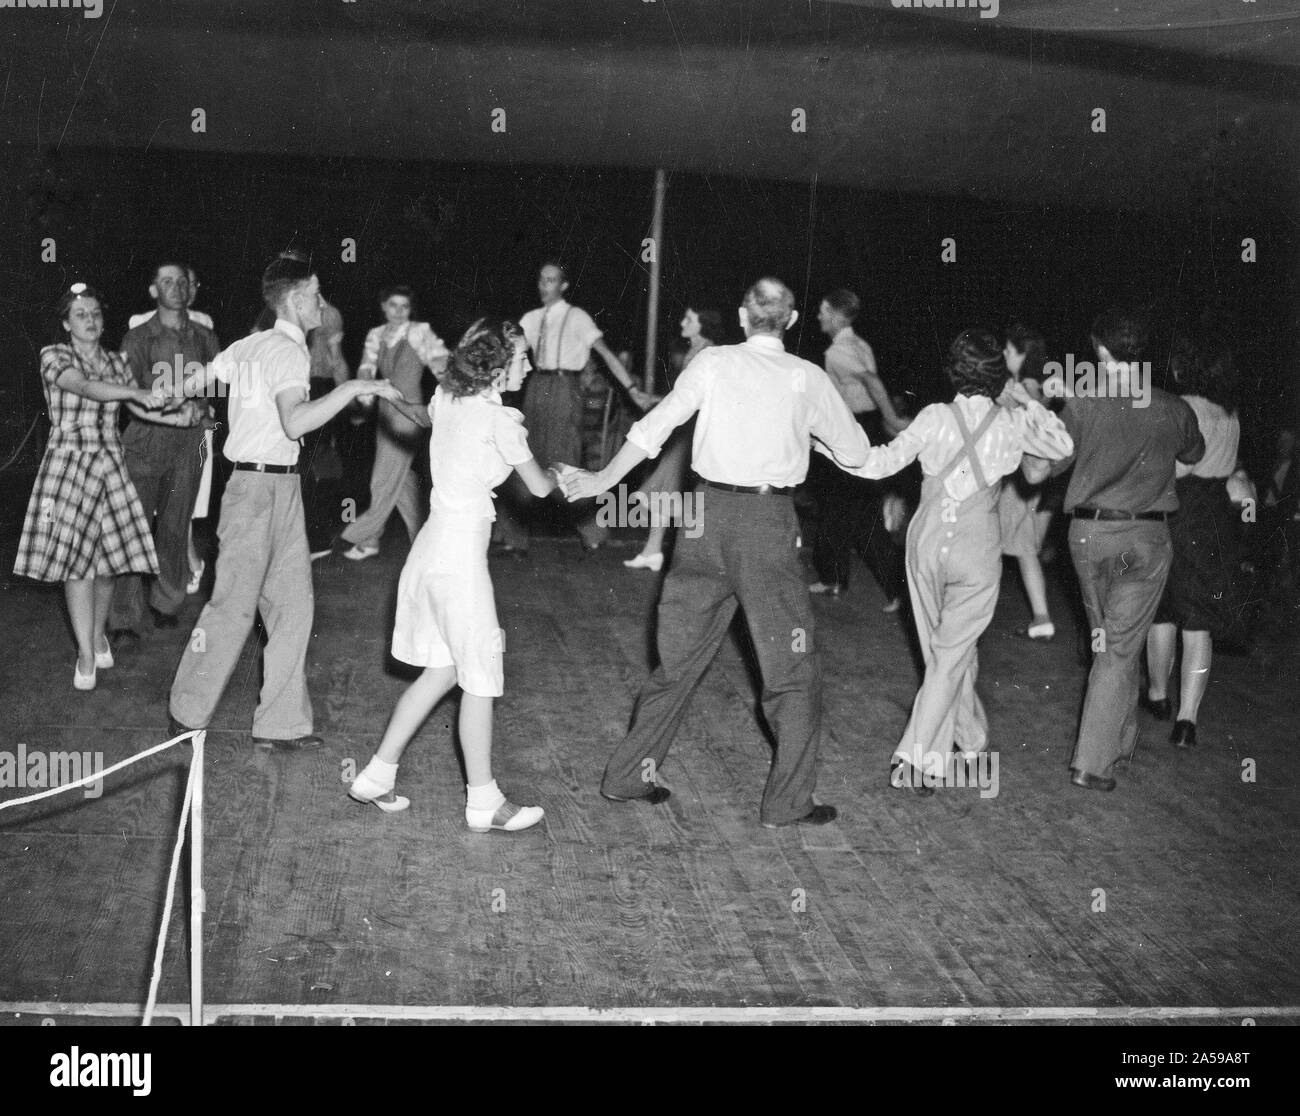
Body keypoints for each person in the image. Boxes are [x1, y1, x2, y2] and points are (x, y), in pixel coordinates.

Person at [561, 278, 883, 828]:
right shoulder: (808, 377)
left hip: (703, 520)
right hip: (766, 525)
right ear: (792, 318)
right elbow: (858, 455)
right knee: (792, 671)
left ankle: (626, 777)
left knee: (678, 662)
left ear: (741, 316)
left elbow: (654, 428)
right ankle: (787, 803)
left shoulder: (711, 365)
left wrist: (601, 480)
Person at [168, 255, 402, 748]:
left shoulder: (248, 345)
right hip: (254, 492)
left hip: (281, 487)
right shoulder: (288, 352)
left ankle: (281, 725)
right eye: (317, 294)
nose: (322, 303)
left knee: (294, 608)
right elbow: (295, 422)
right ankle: (186, 714)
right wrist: (355, 387)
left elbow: (194, 382)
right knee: (232, 607)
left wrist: (164, 393)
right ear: (295, 300)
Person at [347, 319, 558, 830]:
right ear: (501, 363)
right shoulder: (500, 418)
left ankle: (375, 774)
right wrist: (561, 474)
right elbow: (542, 488)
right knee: (481, 677)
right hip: (459, 561)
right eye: (522, 358)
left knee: (443, 671)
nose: (528, 366)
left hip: (428, 554)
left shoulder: (448, 401)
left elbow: (432, 418)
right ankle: (483, 801)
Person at [842, 329, 1073, 793]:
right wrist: (1024, 405)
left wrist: (832, 448)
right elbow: (1051, 457)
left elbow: (881, 463)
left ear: (952, 370)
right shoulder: (1012, 425)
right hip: (977, 547)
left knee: (942, 653)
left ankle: (967, 738)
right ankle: (920, 759)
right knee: (951, 655)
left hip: (926, 541)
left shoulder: (933, 417)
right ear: (998, 377)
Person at [1052, 308, 1205, 792]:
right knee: (1119, 648)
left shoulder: (1083, 400)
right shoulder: (1173, 408)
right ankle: (1094, 761)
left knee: (1110, 644)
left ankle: (1113, 745)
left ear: (1100, 351)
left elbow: (1052, 464)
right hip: (1146, 538)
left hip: (1091, 537)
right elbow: (1195, 453)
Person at [13, 284, 169, 689]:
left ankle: (98, 633)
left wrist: (179, 412)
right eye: (81, 314)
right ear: (67, 323)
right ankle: (85, 653)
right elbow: (83, 387)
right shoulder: (55, 355)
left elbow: (136, 405)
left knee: (107, 565)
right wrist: (138, 392)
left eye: (96, 313)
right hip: (68, 463)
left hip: (110, 463)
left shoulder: (117, 361)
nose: (91, 320)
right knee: (76, 564)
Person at [492, 260, 652, 555]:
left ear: (563, 285)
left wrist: (632, 389)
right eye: (541, 279)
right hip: (536, 386)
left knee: (561, 459)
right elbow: (507, 352)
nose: (544, 286)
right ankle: (512, 536)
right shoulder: (530, 317)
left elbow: (604, 352)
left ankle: (593, 531)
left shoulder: (577, 317)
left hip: (567, 390)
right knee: (522, 455)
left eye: (551, 280)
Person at [108, 261, 220, 639]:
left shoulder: (204, 336)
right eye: (166, 281)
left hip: (189, 443)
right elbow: (127, 394)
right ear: (154, 290)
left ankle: (166, 600)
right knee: (133, 525)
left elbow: (215, 388)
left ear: (190, 289)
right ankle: (123, 615)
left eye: (181, 282)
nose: (175, 287)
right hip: (144, 440)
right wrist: (171, 408)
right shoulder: (137, 337)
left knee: (176, 523)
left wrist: (200, 408)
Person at [1143, 331, 1243, 748]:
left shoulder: (1185, 409)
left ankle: (1158, 695)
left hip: (1176, 513)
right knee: (1198, 621)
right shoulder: (1231, 416)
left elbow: (1179, 469)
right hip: (1214, 520)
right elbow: (1229, 468)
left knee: (1162, 611)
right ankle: (1187, 721)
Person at [808, 289, 909, 609]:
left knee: (861, 512)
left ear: (837, 316)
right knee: (836, 505)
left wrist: (891, 417)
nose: (819, 316)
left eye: (824, 310)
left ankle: (897, 591)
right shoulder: (859, 344)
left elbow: (872, 381)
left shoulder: (838, 353)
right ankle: (833, 578)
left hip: (853, 429)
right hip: (860, 427)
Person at [335, 286, 448, 561]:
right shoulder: (376, 335)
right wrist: (362, 403)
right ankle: (424, 541)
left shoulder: (420, 331)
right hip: (385, 412)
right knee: (403, 482)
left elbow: (443, 366)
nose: (399, 312)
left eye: (405, 307)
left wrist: (456, 402)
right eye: (393, 305)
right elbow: (366, 370)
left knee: (383, 478)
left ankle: (359, 535)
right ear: (383, 307)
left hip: (408, 412)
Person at [624, 306, 723, 571]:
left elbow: (695, 400)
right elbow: (682, 396)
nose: (682, 322)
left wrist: (655, 401)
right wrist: (655, 400)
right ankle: (652, 550)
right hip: (681, 432)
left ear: (703, 324)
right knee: (663, 492)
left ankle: (706, 540)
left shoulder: (706, 353)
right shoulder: (693, 350)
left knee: (663, 493)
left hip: (692, 435)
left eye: (689, 319)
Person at [998, 323, 1057, 639]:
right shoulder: (1041, 385)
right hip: (1045, 482)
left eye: (1009, 350)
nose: (1004, 354)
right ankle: (1041, 618)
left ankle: (974, 608)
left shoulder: (1028, 388)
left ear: (1023, 355)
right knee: (1025, 549)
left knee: (997, 540)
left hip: (1025, 480)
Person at [302, 298, 352, 557]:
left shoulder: (329, 313)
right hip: (288, 388)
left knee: (313, 462)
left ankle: (317, 538)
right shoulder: (275, 308)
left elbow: (337, 359)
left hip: (317, 386)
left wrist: (351, 400)